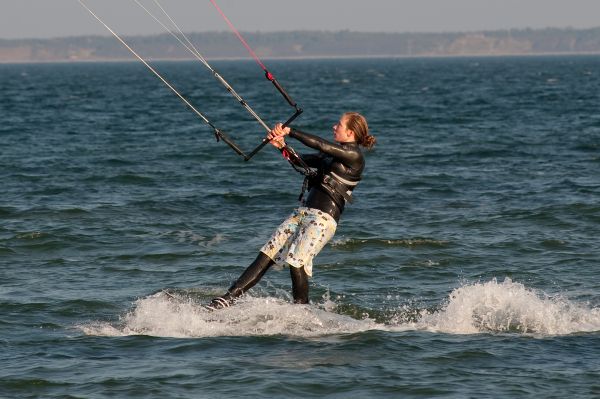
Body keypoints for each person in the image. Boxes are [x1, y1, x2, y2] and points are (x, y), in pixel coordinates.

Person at [206, 112, 376, 310]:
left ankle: (301, 310)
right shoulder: (331, 155)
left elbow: (321, 144)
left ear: (350, 132)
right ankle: (227, 299)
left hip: (322, 219)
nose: (333, 127)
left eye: (338, 124)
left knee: (297, 262)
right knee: (267, 254)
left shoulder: (354, 156)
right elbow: (300, 159)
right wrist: (281, 147)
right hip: (303, 213)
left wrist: (290, 131)